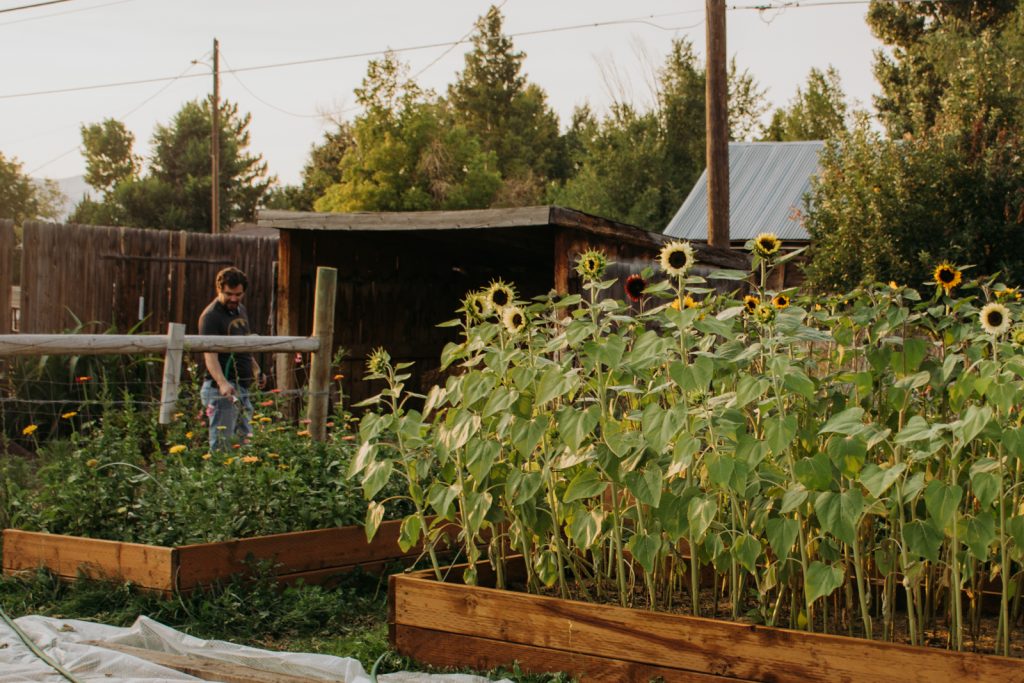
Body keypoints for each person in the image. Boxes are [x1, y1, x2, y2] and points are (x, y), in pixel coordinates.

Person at [199, 266, 263, 450]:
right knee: (222, 443)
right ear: (219, 289)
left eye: (238, 294)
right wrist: (222, 383)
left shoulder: (240, 310)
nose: (233, 299)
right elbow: (209, 354)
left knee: (246, 440)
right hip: (223, 389)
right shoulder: (211, 316)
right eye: (229, 294)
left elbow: (243, 345)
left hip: (242, 386)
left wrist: (256, 370)